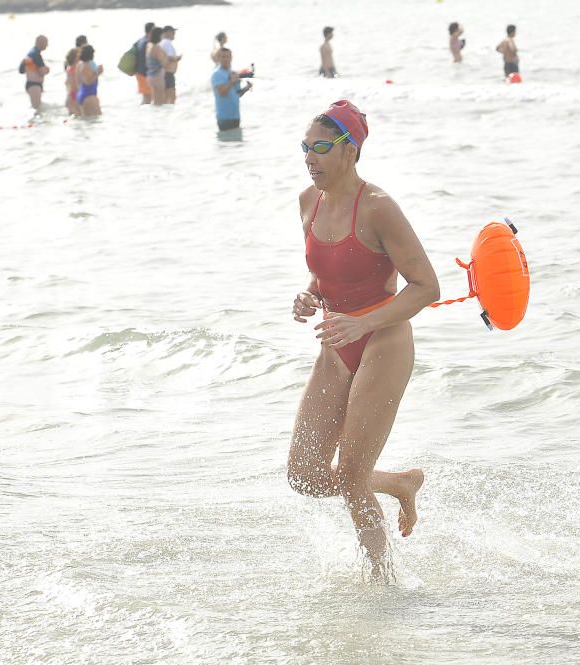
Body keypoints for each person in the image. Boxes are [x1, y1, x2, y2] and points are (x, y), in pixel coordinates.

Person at [288, 100, 438, 580]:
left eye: (321, 148)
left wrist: (364, 323)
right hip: (337, 343)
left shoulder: (378, 208)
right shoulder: (308, 203)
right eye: (305, 148)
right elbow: (329, 273)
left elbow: (427, 287)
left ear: (350, 151)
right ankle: (397, 482)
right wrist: (308, 296)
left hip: (384, 342)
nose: (310, 158)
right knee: (305, 475)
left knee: (352, 477)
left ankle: (383, 586)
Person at [211, 47, 251, 131]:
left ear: (231, 58)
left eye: (227, 56)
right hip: (224, 118)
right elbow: (222, 93)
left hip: (236, 117)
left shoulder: (233, 73)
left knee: (237, 143)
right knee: (226, 144)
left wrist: (246, 88)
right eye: (223, 57)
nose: (225, 59)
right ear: (219, 58)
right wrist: (232, 82)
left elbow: (237, 94)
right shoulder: (216, 74)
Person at [20, 35, 49, 111]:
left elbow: (21, 70)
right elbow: (41, 71)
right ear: (40, 42)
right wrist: (47, 69)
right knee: (37, 109)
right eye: (46, 43)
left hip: (32, 84)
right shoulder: (35, 54)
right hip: (34, 85)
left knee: (37, 109)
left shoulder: (30, 54)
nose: (47, 45)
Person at [76, 45, 103, 117]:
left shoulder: (79, 64)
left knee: (87, 123)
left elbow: (78, 81)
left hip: (82, 94)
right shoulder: (86, 66)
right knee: (96, 122)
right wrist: (98, 73)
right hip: (89, 95)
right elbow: (88, 82)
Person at [146, 26, 169, 106]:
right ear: (159, 35)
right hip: (157, 75)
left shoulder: (149, 45)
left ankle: (154, 116)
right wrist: (166, 55)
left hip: (151, 75)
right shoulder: (156, 47)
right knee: (160, 101)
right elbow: (164, 62)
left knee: (155, 100)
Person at [160, 25, 182, 104]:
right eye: (173, 32)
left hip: (164, 74)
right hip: (168, 74)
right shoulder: (167, 43)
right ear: (167, 33)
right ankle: (170, 114)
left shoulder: (162, 42)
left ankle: (165, 114)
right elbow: (169, 57)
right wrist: (177, 58)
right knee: (171, 98)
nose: (174, 34)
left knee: (166, 99)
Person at [134, 22, 155, 104]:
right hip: (144, 73)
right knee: (147, 99)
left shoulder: (140, 41)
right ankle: (141, 114)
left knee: (146, 98)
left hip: (139, 72)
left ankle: (141, 114)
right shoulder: (147, 42)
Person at [64, 48, 81, 116]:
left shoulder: (69, 68)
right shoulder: (74, 69)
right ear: (76, 57)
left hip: (70, 97)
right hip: (73, 97)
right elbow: (74, 86)